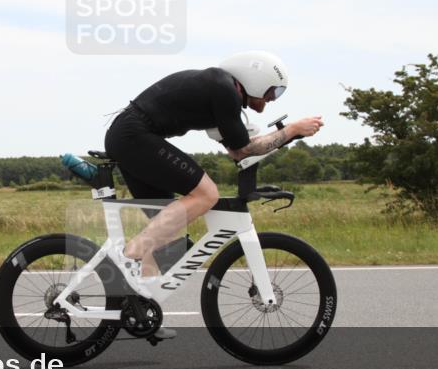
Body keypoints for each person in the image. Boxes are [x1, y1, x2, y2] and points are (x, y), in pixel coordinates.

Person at [104, 51, 324, 291]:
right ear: (256, 78)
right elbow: (244, 149)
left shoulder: (220, 91)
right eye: (273, 91)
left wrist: (288, 135)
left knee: (169, 238)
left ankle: (139, 303)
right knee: (206, 194)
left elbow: (239, 151)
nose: (272, 98)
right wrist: (292, 130)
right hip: (133, 136)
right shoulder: (224, 89)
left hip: (129, 137)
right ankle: (129, 254)